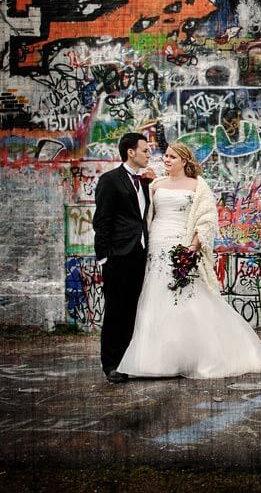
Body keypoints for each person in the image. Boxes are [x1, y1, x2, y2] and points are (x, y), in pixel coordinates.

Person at [117, 141, 261, 378]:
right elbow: (144, 215)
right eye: (165, 155)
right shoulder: (155, 185)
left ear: (184, 161)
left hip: (182, 244)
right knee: (155, 298)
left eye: (172, 157)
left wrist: (192, 248)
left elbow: (206, 221)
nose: (166, 160)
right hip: (156, 245)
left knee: (189, 299)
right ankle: (156, 361)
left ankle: (199, 355)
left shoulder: (198, 186)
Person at [92, 132, 152, 384]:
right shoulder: (110, 180)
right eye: (145, 150)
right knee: (116, 311)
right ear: (131, 152)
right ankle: (111, 364)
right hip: (117, 257)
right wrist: (104, 257)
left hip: (139, 255)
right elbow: (101, 221)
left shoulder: (145, 182)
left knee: (132, 311)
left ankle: (128, 361)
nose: (149, 154)